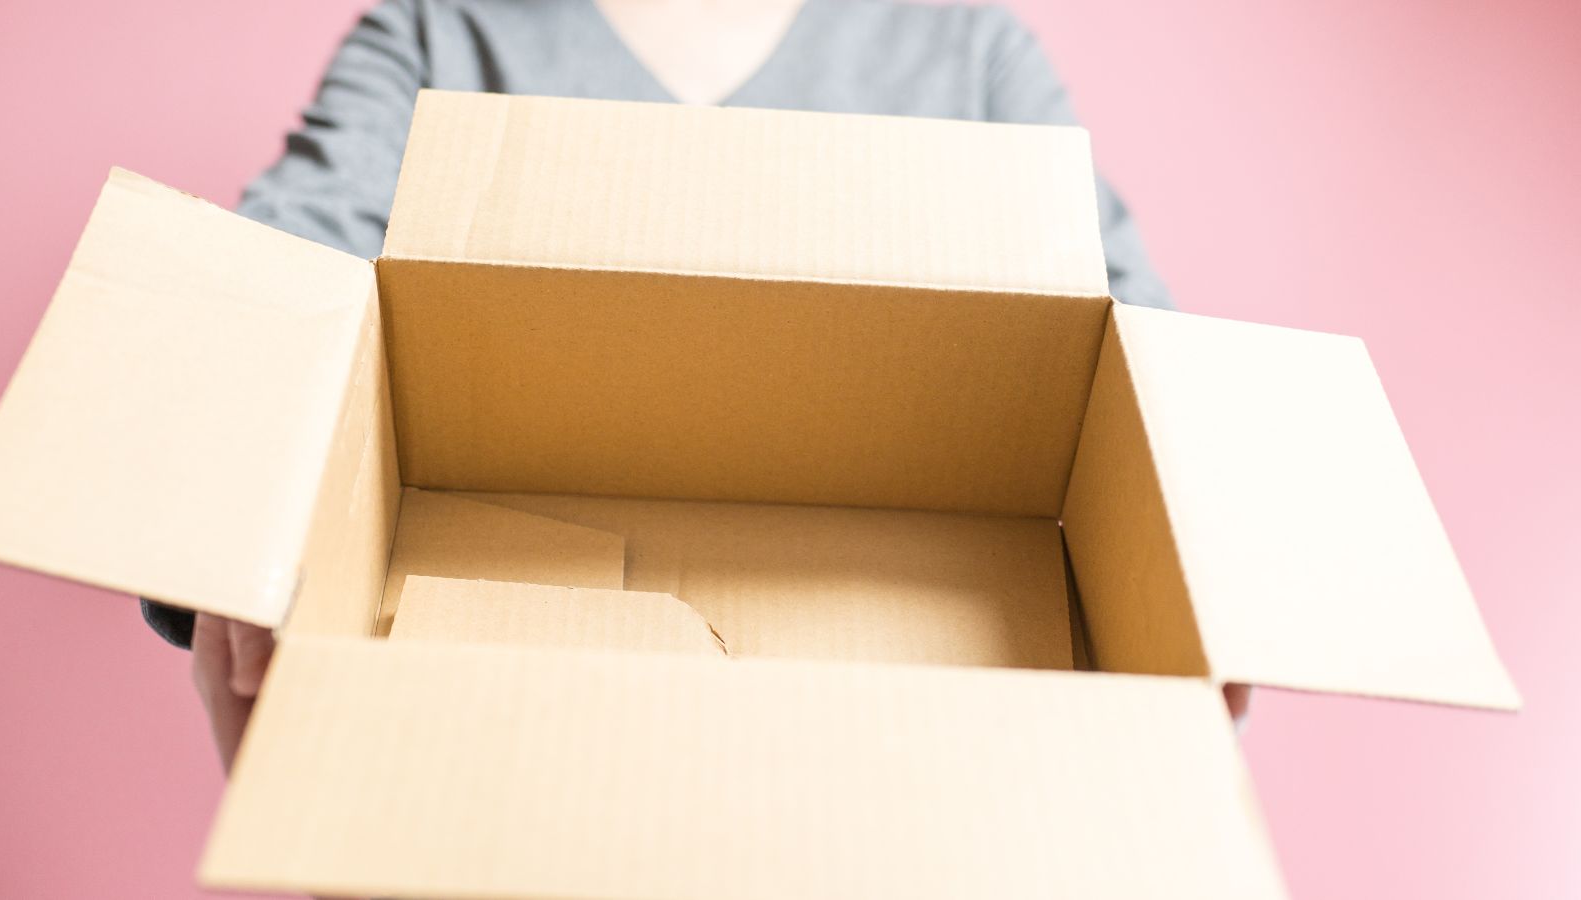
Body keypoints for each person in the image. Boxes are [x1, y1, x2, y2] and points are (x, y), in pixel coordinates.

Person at [144, 0, 1234, 769]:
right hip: (498, 731)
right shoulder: (440, 28)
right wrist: (242, 528)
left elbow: (1145, 360)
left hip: (906, 747)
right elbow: (284, 268)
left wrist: (1204, 584)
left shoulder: (969, 53)